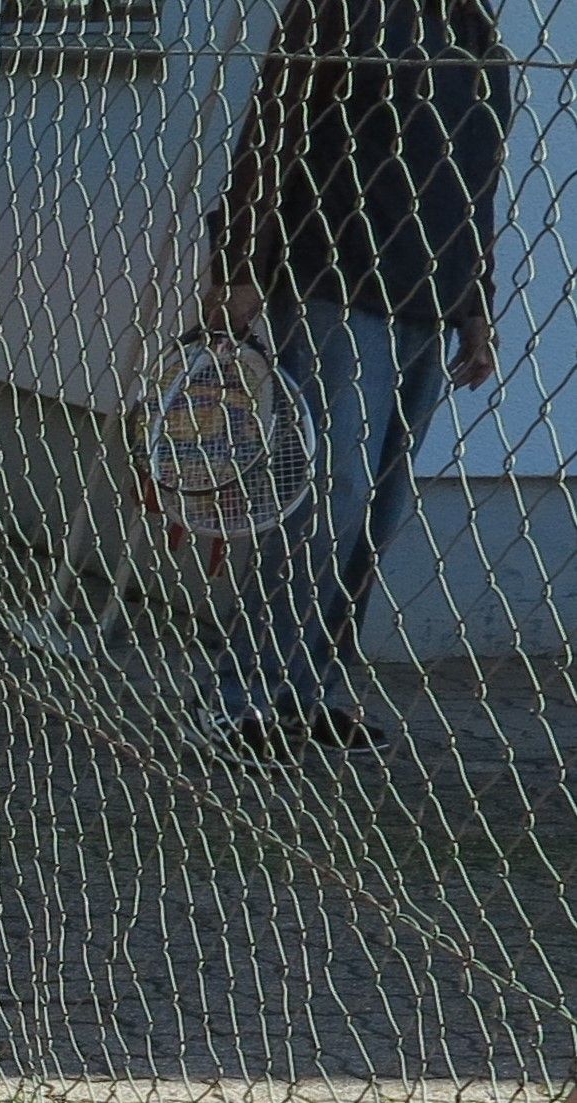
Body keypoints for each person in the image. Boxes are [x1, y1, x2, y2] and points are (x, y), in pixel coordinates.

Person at [205, 0, 509, 746]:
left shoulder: (478, 34)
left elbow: (478, 181)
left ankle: (317, 691)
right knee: (331, 496)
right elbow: (271, 136)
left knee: (379, 509)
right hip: (334, 285)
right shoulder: (340, 11)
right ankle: (243, 696)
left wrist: (476, 304)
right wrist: (240, 267)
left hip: (430, 302)